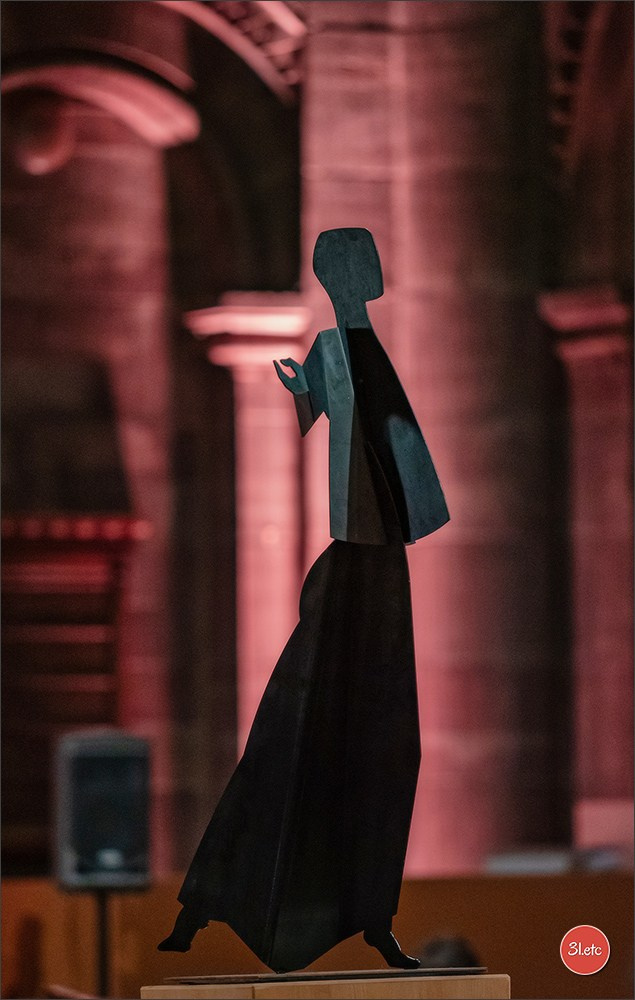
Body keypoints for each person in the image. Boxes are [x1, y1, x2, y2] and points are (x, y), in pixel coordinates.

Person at [159, 228, 449, 972]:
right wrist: (301, 392)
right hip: (358, 556)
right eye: (361, 265)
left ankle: (370, 917)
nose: (371, 275)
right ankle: (210, 901)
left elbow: (393, 437)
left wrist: (308, 395)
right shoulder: (335, 347)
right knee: (294, 732)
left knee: (383, 745)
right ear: (342, 276)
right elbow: (328, 413)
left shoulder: (361, 349)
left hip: (380, 555)